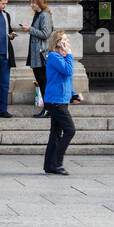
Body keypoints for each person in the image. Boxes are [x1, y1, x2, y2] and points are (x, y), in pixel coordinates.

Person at [41, 30, 76, 175]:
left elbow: (66, 79)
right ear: (57, 42)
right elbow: (68, 71)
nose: (67, 42)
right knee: (70, 130)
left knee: (55, 133)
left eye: (67, 40)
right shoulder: (54, 56)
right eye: (64, 40)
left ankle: (50, 165)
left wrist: (73, 94)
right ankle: (57, 163)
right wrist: (69, 53)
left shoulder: (61, 56)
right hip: (55, 100)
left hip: (61, 99)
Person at [19, 0, 54, 119]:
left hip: (41, 56)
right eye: (31, 2)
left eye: (33, 2)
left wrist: (30, 29)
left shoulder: (45, 15)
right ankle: (48, 109)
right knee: (42, 82)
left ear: (39, 2)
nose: (31, 5)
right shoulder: (38, 15)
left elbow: (46, 34)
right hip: (36, 55)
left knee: (44, 82)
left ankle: (48, 109)